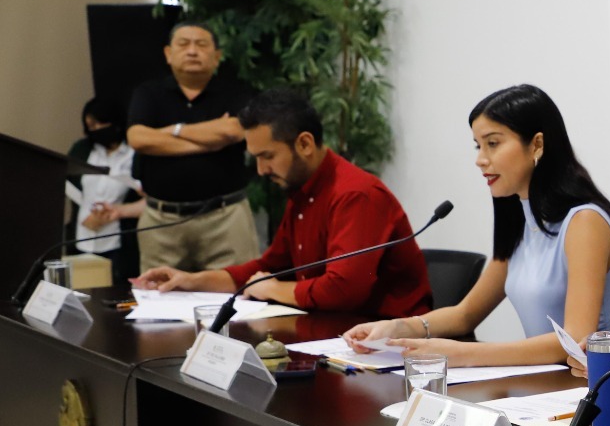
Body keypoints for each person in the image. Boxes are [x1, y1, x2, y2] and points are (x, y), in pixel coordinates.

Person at [341, 84, 610, 364]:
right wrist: (398, 328)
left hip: (597, 384)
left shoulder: (584, 222)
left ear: (536, 144)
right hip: (549, 383)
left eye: (493, 143)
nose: (480, 160)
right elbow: (465, 314)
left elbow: (575, 340)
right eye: (478, 146)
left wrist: (461, 354)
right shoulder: (523, 224)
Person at [133, 89, 432, 318]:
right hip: (334, 332)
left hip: (388, 344)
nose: (261, 170)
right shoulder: (302, 189)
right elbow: (270, 267)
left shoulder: (356, 194)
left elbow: (343, 290)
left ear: (304, 144)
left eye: (268, 156)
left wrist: (274, 289)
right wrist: (192, 280)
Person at [126, 21, 259, 269]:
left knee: (236, 290)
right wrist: (210, 142)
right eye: (184, 44)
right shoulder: (149, 93)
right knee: (159, 291)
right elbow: (138, 139)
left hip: (225, 218)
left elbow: (234, 130)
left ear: (217, 56)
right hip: (161, 220)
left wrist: (173, 131)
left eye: (201, 44)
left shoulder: (235, 92)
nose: (192, 51)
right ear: (168, 53)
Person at [66, 97, 146, 284]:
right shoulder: (82, 149)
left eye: (100, 123)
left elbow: (147, 194)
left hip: (120, 239)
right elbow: (68, 183)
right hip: (83, 233)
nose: (96, 130)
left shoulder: (135, 153)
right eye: (90, 126)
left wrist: (114, 211)